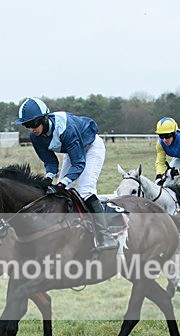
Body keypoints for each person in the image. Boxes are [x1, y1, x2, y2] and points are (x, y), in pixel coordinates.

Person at [16, 97, 118, 251]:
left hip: (91, 148)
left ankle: (106, 236)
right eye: (27, 125)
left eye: (33, 124)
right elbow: (50, 162)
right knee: (62, 192)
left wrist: (61, 183)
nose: (31, 129)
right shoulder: (35, 137)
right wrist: (48, 180)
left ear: (44, 119)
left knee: (85, 190)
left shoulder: (65, 128)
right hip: (72, 152)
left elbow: (79, 163)